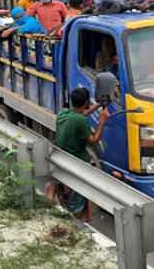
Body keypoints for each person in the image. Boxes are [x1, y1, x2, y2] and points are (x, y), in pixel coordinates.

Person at [45, 87, 109, 220]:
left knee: (64, 192)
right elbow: (94, 141)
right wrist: (102, 121)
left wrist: (98, 105)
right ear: (86, 102)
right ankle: (74, 222)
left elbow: (82, 113)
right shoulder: (81, 121)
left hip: (61, 159)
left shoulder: (63, 113)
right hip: (78, 164)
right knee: (77, 202)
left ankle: (51, 192)